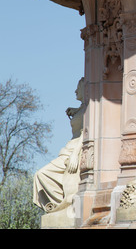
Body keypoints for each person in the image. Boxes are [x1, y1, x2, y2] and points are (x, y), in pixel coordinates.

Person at [33, 77, 86, 212]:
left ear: (85, 89)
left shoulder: (91, 108)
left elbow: (86, 131)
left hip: (74, 151)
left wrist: (75, 154)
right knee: (40, 175)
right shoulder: (82, 108)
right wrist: (75, 110)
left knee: (42, 174)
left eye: (78, 88)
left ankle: (61, 207)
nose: (75, 91)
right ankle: (60, 207)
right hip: (68, 149)